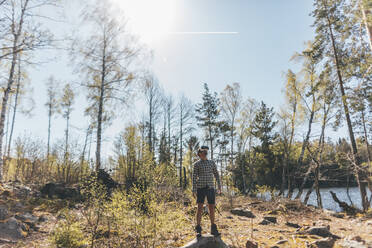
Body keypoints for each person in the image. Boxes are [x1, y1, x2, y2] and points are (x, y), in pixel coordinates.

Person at [192, 146, 222, 237]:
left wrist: (219, 186)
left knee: (212, 208)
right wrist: (194, 190)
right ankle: (198, 228)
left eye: (206, 152)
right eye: (203, 152)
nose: (205, 154)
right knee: (200, 208)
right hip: (200, 188)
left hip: (210, 188)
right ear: (199, 154)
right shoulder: (196, 164)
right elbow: (194, 177)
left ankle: (213, 228)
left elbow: (216, 174)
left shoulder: (212, 163)